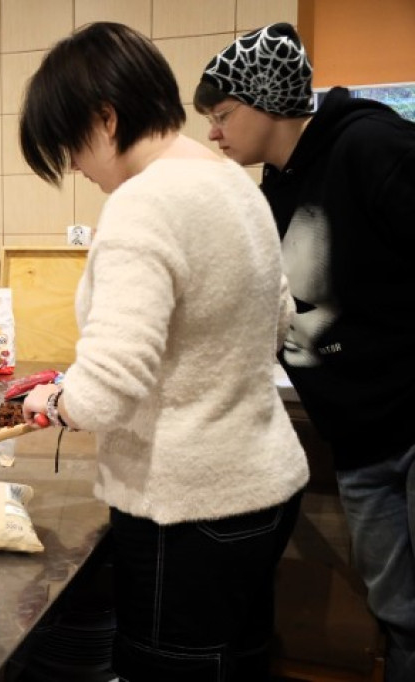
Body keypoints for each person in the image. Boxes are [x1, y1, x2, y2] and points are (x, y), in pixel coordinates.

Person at [17, 23, 309, 681]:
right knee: (238, 662)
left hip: (188, 505)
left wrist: (55, 398)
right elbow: (277, 312)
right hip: (262, 486)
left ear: (106, 117)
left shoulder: (142, 203)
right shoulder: (234, 183)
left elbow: (104, 393)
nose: (75, 168)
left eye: (69, 146)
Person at [194, 23, 415, 681]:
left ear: (265, 98)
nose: (214, 133)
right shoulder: (274, 192)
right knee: (397, 609)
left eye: (222, 114)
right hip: (358, 440)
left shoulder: (374, 147)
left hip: (411, 422)